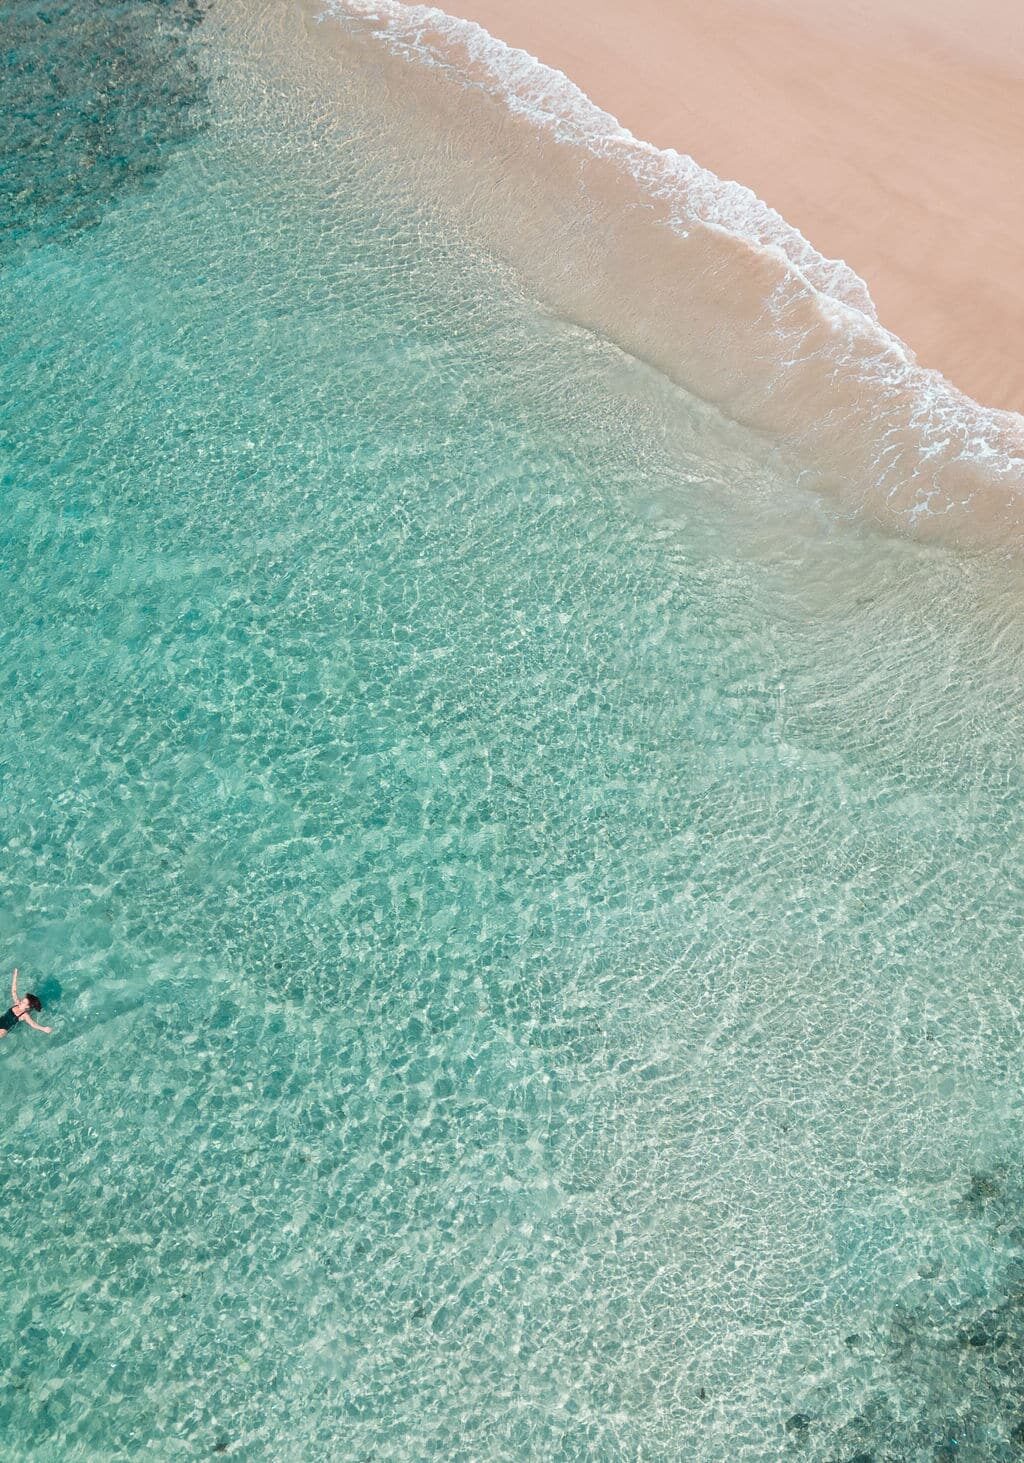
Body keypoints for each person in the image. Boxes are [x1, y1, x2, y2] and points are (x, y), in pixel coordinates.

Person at [0, 968, 52, 1039]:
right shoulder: (17, 1003)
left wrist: (44, 1029)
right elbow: (14, 991)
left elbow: (33, 1024)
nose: (21, 1001)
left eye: (24, 1002)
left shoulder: (24, 1015)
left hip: (4, 1030)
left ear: (27, 1006)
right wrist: (15, 976)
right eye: (22, 1000)